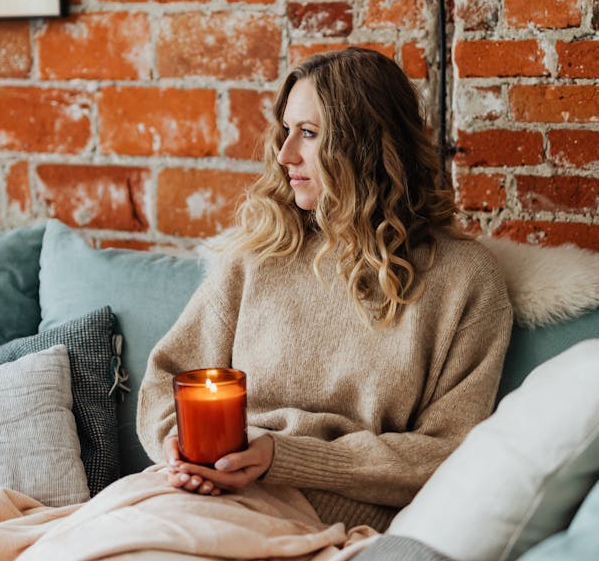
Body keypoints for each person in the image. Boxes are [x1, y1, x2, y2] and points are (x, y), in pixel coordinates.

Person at [137, 47, 512, 533]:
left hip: (320, 518)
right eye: (286, 130)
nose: (284, 153)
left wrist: (284, 458)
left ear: (367, 144)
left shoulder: (463, 279)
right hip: (194, 493)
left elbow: (446, 451)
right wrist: (185, 450)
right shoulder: (258, 256)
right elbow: (168, 380)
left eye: (308, 134)